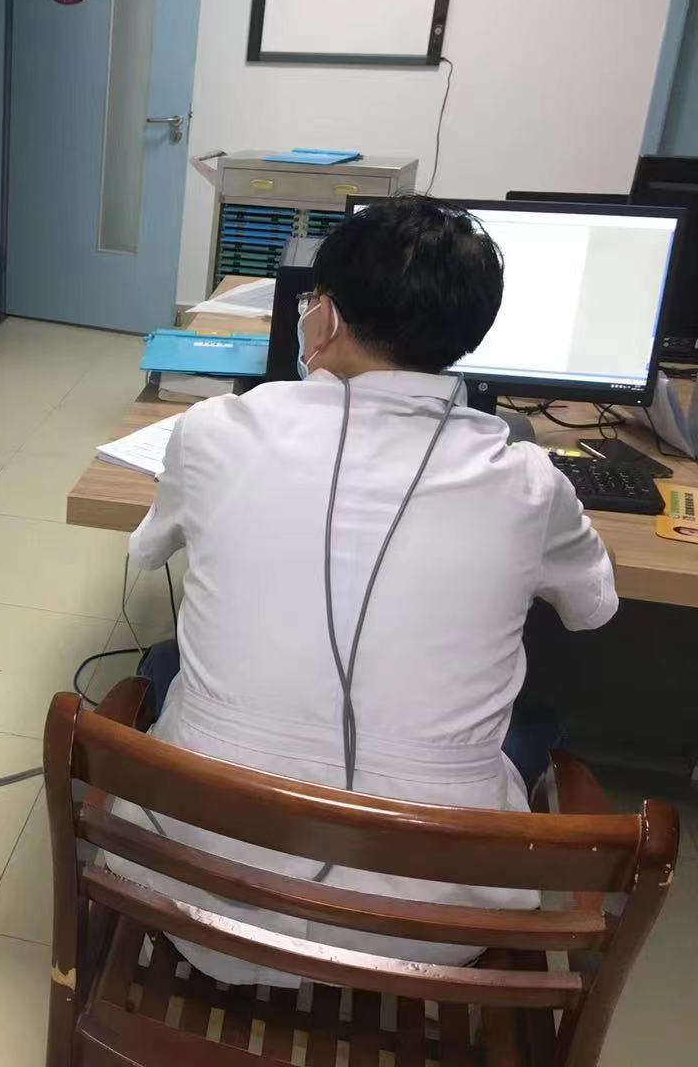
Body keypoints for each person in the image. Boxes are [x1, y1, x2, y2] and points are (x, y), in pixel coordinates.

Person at [106, 195, 617, 986]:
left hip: (198, 899)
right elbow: (591, 609)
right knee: (534, 718)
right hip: (432, 937)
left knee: (168, 661)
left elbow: (147, 553)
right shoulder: (528, 480)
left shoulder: (215, 430)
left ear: (326, 317)